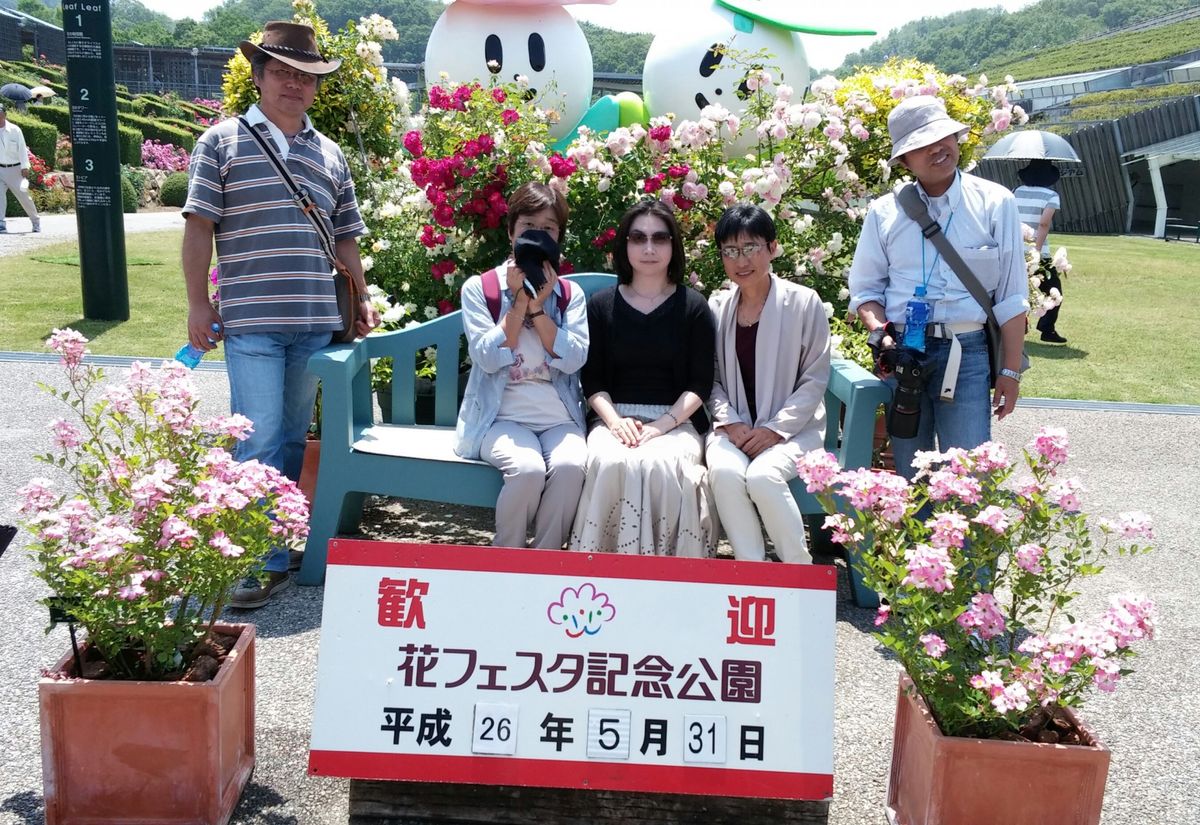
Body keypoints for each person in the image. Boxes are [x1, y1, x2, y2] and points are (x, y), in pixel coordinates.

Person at [181, 22, 379, 608]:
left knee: (292, 437)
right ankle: (253, 558)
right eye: (281, 72)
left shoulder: (329, 153)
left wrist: (361, 294)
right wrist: (198, 301)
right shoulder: (221, 142)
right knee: (258, 436)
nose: (293, 83)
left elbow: (346, 237)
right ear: (260, 76)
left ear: (315, 86)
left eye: (305, 75)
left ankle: (279, 541)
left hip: (314, 319)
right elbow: (199, 230)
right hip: (252, 323)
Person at [848, 95, 1028, 480]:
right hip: (904, 352)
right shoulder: (884, 213)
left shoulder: (997, 203)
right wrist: (882, 335)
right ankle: (916, 543)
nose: (937, 149)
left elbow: (1012, 297)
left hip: (968, 353)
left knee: (966, 475)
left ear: (957, 138)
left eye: (944, 136)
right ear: (905, 161)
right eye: (921, 145)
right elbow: (866, 292)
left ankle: (962, 542)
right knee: (910, 475)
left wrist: (1010, 374)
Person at [570, 200, 718, 556]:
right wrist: (616, 422)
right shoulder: (602, 306)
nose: (649, 248)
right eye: (638, 238)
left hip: (677, 421)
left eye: (660, 238)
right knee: (610, 461)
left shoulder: (694, 306)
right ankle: (600, 569)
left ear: (673, 246)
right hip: (613, 418)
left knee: (663, 464)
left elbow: (699, 383)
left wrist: (662, 425)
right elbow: (592, 380)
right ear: (625, 245)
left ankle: (668, 575)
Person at [454, 182, 589, 549]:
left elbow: (575, 358)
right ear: (512, 230)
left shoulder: (568, 294)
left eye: (549, 228)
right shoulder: (481, 289)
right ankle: (506, 563)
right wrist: (517, 304)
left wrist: (540, 309)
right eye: (530, 226)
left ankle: (545, 565)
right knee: (527, 470)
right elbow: (486, 357)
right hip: (501, 419)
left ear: (559, 236)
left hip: (558, 418)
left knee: (571, 467)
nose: (538, 236)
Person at [706, 204, 831, 564]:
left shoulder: (803, 303)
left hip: (794, 430)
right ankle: (752, 572)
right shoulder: (719, 308)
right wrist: (730, 420)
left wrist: (776, 429)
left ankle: (798, 573)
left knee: (763, 477)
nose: (740, 260)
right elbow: (710, 378)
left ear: (772, 248)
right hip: (734, 427)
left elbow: (814, 377)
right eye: (730, 251)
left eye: (750, 248)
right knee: (726, 472)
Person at [1014, 159, 1066, 343]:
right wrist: (1036, 249)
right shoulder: (1051, 196)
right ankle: (1047, 329)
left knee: (1016, 290)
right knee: (1053, 290)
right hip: (1037, 251)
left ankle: (1017, 326)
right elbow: (1043, 224)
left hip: (1015, 249)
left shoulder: (1017, 192)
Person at [0, 102, 41, 233]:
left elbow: (22, 149)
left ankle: (35, 221)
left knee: (23, 196)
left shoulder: (15, 130)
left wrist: (25, 167)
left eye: (0, 115)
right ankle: (1, 223)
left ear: (5, 115)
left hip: (15, 169)